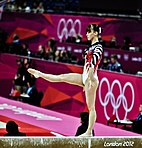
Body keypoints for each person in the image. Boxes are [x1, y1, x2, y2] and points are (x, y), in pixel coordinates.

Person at [27, 24, 103, 137]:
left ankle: (88, 132)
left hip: (91, 79)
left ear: (96, 33)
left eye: (89, 31)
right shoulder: (89, 47)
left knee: (91, 107)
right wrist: (86, 78)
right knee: (61, 77)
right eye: (86, 31)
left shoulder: (98, 47)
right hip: (84, 76)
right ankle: (40, 74)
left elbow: (93, 64)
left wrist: (90, 80)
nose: (86, 34)